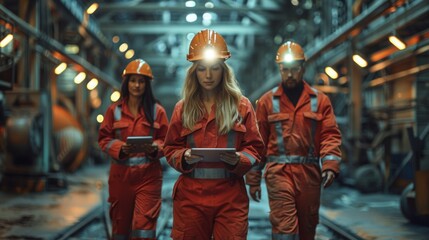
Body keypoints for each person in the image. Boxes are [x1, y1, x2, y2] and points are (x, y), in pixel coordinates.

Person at [163, 29, 264, 239]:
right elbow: (170, 148)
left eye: (215, 69)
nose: (208, 76)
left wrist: (239, 159)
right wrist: (184, 157)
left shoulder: (241, 106)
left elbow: (255, 148)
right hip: (191, 198)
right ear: (194, 72)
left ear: (224, 70)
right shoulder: (183, 108)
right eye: (202, 69)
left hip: (230, 197)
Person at [246, 41, 342, 240]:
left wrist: (330, 165)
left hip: (309, 175)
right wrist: (253, 180)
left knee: (308, 227)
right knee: (285, 227)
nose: (290, 75)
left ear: (303, 68)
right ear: (280, 69)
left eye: (295, 70)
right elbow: (258, 142)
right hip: (278, 173)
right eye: (285, 70)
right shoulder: (266, 102)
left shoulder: (320, 101)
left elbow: (329, 134)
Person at [98, 59, 169, 240]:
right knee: (120, 228)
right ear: (126, 83)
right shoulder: (114, 111)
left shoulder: (157, 111)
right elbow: (103, 139)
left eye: (141, 81)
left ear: (147, 85)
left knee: (143, 228)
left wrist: (155, 147)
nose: (137, 85)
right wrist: (121, 148)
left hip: (149, 177)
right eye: (133, 80)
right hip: (120, 177)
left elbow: (167, 141)